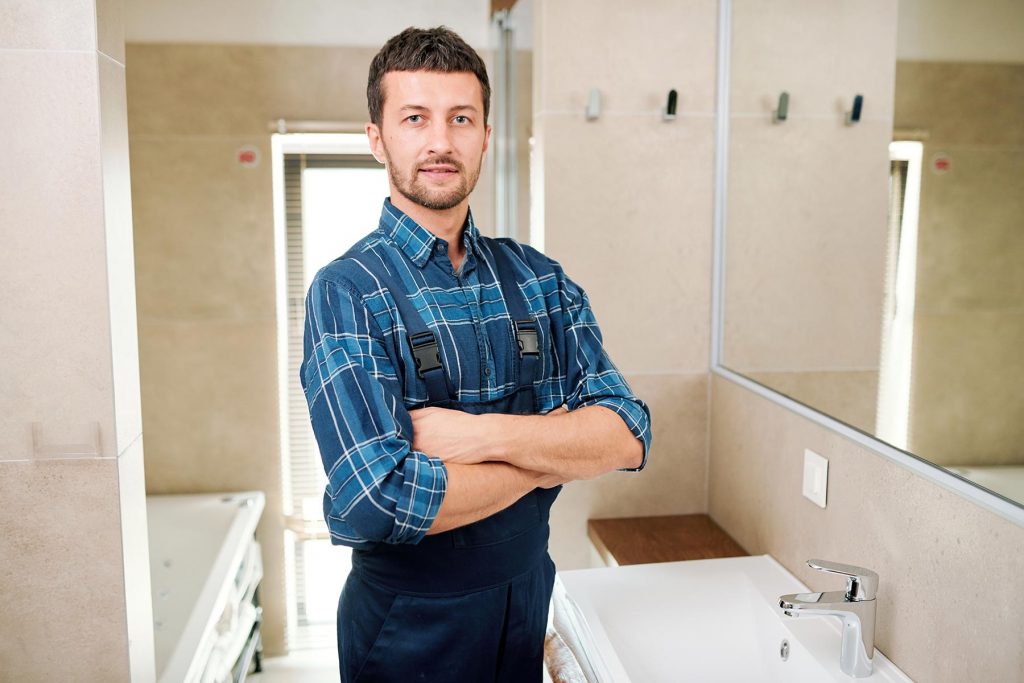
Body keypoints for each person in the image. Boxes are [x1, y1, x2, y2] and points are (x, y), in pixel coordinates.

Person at [300, 25, 652, 683]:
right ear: (377, 138)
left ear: (486, 134)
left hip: (526, 596)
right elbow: (377, 499)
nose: (440, 141)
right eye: (415, 118)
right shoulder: (349, 291)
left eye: (461, 118)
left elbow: (629, 434)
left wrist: (477, 436)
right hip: (409, 621)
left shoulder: (540, 280)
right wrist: (552, 457)